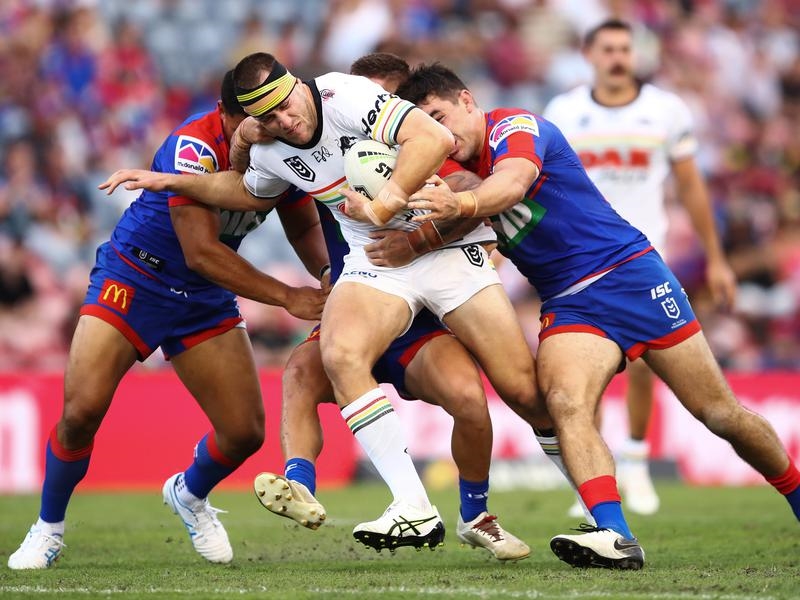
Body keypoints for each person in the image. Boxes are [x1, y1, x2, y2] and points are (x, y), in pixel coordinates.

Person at [99, 52, 556, 552]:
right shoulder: (294, 138)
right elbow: (253, 192)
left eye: (387, 97)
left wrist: (405, 223)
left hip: (434, 286)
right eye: (269, 116)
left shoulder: (385, 121)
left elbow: (466, 184)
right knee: (310, 368)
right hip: (368, 281)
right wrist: (178, 176)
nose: (283, 121)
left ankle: (488, 514)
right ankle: (323, 488)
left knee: (491, 396)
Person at [390, 63, 800, 570]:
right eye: (427, 126)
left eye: (440, 117)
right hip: (569, 302)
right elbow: (468, 227)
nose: (441, 134)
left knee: (720, 415)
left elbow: (512, 185)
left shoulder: (515, 126)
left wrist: (460, 203)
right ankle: (616, 534)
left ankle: (796, 494)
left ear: (468, 101)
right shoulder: (450, 169)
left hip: (630, 275)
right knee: (566, 403)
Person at [7, 71, 329, 570]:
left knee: (244, 432)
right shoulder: (193, 146)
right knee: (81, 412)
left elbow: (303, 224)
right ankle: (48, 528)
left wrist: (328, 274)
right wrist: (288, 296)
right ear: (228, 114)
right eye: (257, 119)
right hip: (136, 278)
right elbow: (200, 251)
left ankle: (189, 493)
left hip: (202, 297)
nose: (272, 127)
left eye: (275, 114)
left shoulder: (284, 146)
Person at [251, 52, 529, 561]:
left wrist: (420, 239)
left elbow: (471, 193)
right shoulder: (319, 141)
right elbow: (296, 218)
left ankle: (476, 515)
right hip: (364, 293)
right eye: (365, 95)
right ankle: (300, 483)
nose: (371, 106)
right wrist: (323, 271)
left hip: (422, 313)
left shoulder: (416, 148)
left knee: (471, 400)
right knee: (304, 369)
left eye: (384, 98)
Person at [542, 18, 738, 517]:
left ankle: (635, 459)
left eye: (625, 49)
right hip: (580, 257)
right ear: (589, 55)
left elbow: (690, 185)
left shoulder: (666, 110)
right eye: (608, 48)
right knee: (587, 365)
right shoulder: (563, 111)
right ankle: (594, 473)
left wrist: (716, 259)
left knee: (649, 361)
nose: (617, 57)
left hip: (643, 251)